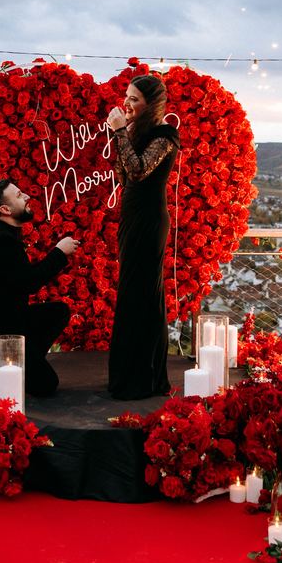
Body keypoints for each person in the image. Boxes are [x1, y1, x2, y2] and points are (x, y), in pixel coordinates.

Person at [0, 179, 80, 397]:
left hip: (8, 320)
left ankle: (23, 362)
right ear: (5, 209)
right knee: (46, 385)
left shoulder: (4, 234)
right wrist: (59, 252)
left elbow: (19, 281)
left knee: (58, 312)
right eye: (19, 195)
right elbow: (29, 282)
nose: (27, 197)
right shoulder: (1, 240)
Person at [105, 74, 181, 400]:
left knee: (145, 295)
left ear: (151, 105)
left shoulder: (165, 136)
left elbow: (139, 171)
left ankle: (146, 378)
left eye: (134, 99)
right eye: (127, 96)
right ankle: (126, 374)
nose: (127, 103)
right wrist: (122, 134)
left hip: (150, 221)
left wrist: (121, 131)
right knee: (129, 292)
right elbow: (125, 176)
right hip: (132, 217)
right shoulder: (138, 132)